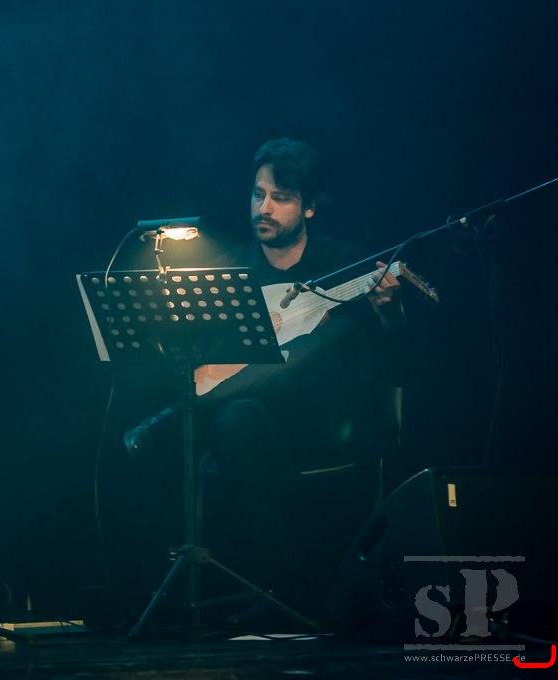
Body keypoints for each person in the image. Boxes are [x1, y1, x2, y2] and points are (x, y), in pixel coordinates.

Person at [123, 138, 408, 622]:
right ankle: (276, 590)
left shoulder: (346, 263)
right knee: (237, 416)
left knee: (335, 334)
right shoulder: (227, 276)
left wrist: (391, 314)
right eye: (258, 194)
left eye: (281, 197)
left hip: (327, 423)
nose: (265, 208)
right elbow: (206, 366)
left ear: (309, 206)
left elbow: (392, 357)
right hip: (257, 429)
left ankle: (174, 419)